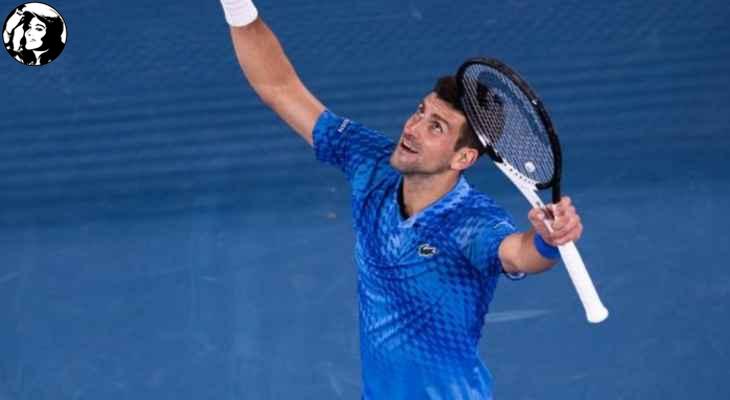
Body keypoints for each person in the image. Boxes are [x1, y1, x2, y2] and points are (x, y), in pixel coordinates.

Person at [217, 1, 583, 398]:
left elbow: (517, 255)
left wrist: (547, 239)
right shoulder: (371, 163)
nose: (412, 128)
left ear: (463, 158)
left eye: (436, 127)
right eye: (421, 111)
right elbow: (280, 88)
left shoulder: (471, 222)